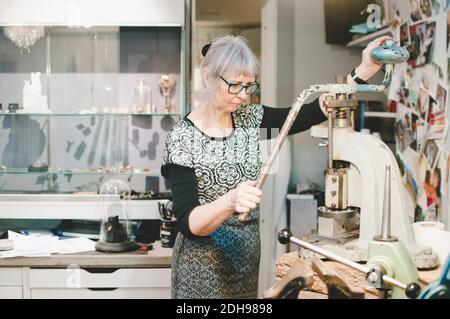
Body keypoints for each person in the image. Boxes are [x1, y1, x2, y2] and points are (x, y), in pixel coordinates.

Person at [161, 34, 393, 299]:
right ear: (207, 76)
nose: (244, 96)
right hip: (201, 272)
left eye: (249, 86)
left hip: (245, 262)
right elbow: (190, 223)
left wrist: (364, 70)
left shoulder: (248, 117)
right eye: (235, 85)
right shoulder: (182, 138)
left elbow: (307, 112)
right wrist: (230, 200)